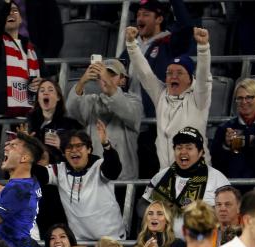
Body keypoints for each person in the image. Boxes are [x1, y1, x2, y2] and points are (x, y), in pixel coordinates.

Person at [120, 0, 195, 179]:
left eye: (146, 14)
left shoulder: (168, 43)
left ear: (159, 18)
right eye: (138, 15)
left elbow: (185, 26)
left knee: (153, 177)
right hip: (132, 124)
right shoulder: (131, 45)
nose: (140, 18)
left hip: (155, 123)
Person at [127, 26, 212, 169]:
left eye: (179, 72)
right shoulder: (160, 94)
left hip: (196, 174)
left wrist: (203, 48)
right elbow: (145, 73)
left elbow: (204, 77)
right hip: (167, 174)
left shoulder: (199, 98)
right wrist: (131, 44)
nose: (173, 76)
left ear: (190, 78)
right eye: (169, 72)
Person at [141, 127, 230, 237]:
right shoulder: (161, 176)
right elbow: (141, 207)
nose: (183, 152)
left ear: (201, 152)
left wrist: (200, 210)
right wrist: (160, 209)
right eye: (179, 148)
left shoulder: (218, 179)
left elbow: (230, 213)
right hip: (164, 246)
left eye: (189, 148)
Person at [66, 58, 142, 182]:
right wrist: (82, 82)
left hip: (123, 180)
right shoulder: (93, 101)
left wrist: (107, 81)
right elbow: (72, 109)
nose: (106, 79)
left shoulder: (134, 102)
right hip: (95, 179)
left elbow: (124, 108)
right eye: (102, 76)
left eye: (112, 75)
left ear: (123, 80)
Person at [48, 124, 125, 241]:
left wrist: (106, 145)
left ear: (89, 149)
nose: (74, 150)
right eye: (69, 147)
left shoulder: (99, 165)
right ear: (64, 152)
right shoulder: (59, 170)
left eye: (79, 146)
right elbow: (37, 173)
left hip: (111, 241)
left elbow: (113, 171)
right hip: (80, 243)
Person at [0, 0, 45, 117]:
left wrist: (42, 84)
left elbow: (46, 78)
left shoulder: (33, 49)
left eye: (15, 11)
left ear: (21, 19)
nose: (11, 13)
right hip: (0, 113)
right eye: (7, 11)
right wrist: (4, 3)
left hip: (30, 114)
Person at [210, 79, 255, 180]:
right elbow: (215, 163)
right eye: (240, 98)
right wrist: (226, 146)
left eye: (249, 97)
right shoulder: (225, 128)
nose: (244, 102)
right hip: (233, 188)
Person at [26, 79, 82, 165]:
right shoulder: (30, 122)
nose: (46, 93)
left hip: (60, 171)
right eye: (42, 90)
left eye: (50, 90)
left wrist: (62, 146)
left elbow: (80, 155)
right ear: (38, 97)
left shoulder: (71, 125)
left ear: (58, 97)